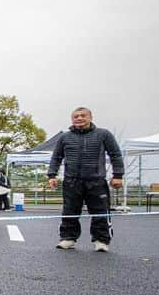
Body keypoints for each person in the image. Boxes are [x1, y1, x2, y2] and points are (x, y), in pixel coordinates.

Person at [47, 107, 124, 251]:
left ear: (90, 117)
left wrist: (118, 175)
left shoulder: (103, 134)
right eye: (76, 116)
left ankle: (101, 240)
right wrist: (52, 175)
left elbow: (115, 154)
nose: (79, 118)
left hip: (96, 181)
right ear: (72, 119)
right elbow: (56, 157)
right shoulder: (64, 137)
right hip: (71, 181)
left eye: (83, 115)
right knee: (69, 211)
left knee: (100, 212)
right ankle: (68, 238)